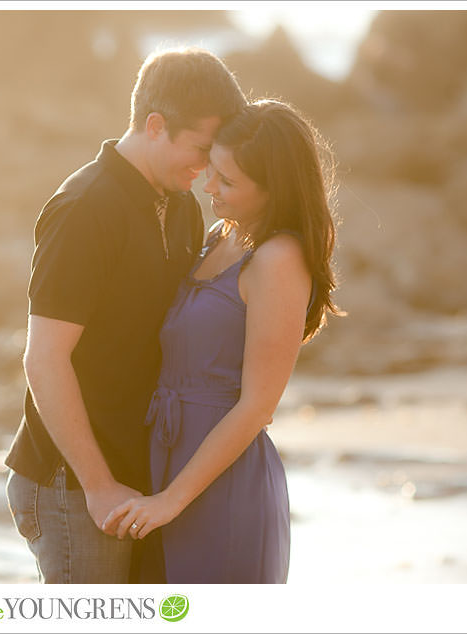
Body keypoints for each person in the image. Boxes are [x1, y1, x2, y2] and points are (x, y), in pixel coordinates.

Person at [3, 47, 247, 584]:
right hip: (75, 483)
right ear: (155, 125)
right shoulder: (84, 208)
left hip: (142, 479)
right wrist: (98, 485)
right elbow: (44, 359)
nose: (207, 168)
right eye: (201, 149)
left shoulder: (182, 206)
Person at [102, 99, 343, 583]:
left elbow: (257, 407)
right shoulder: (218, 235)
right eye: (212, 169)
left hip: (221, 485)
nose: (209, 186)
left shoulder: (279, 260)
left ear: (275, 191)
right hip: (165, 463)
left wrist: (171, 500)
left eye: (228, 182)